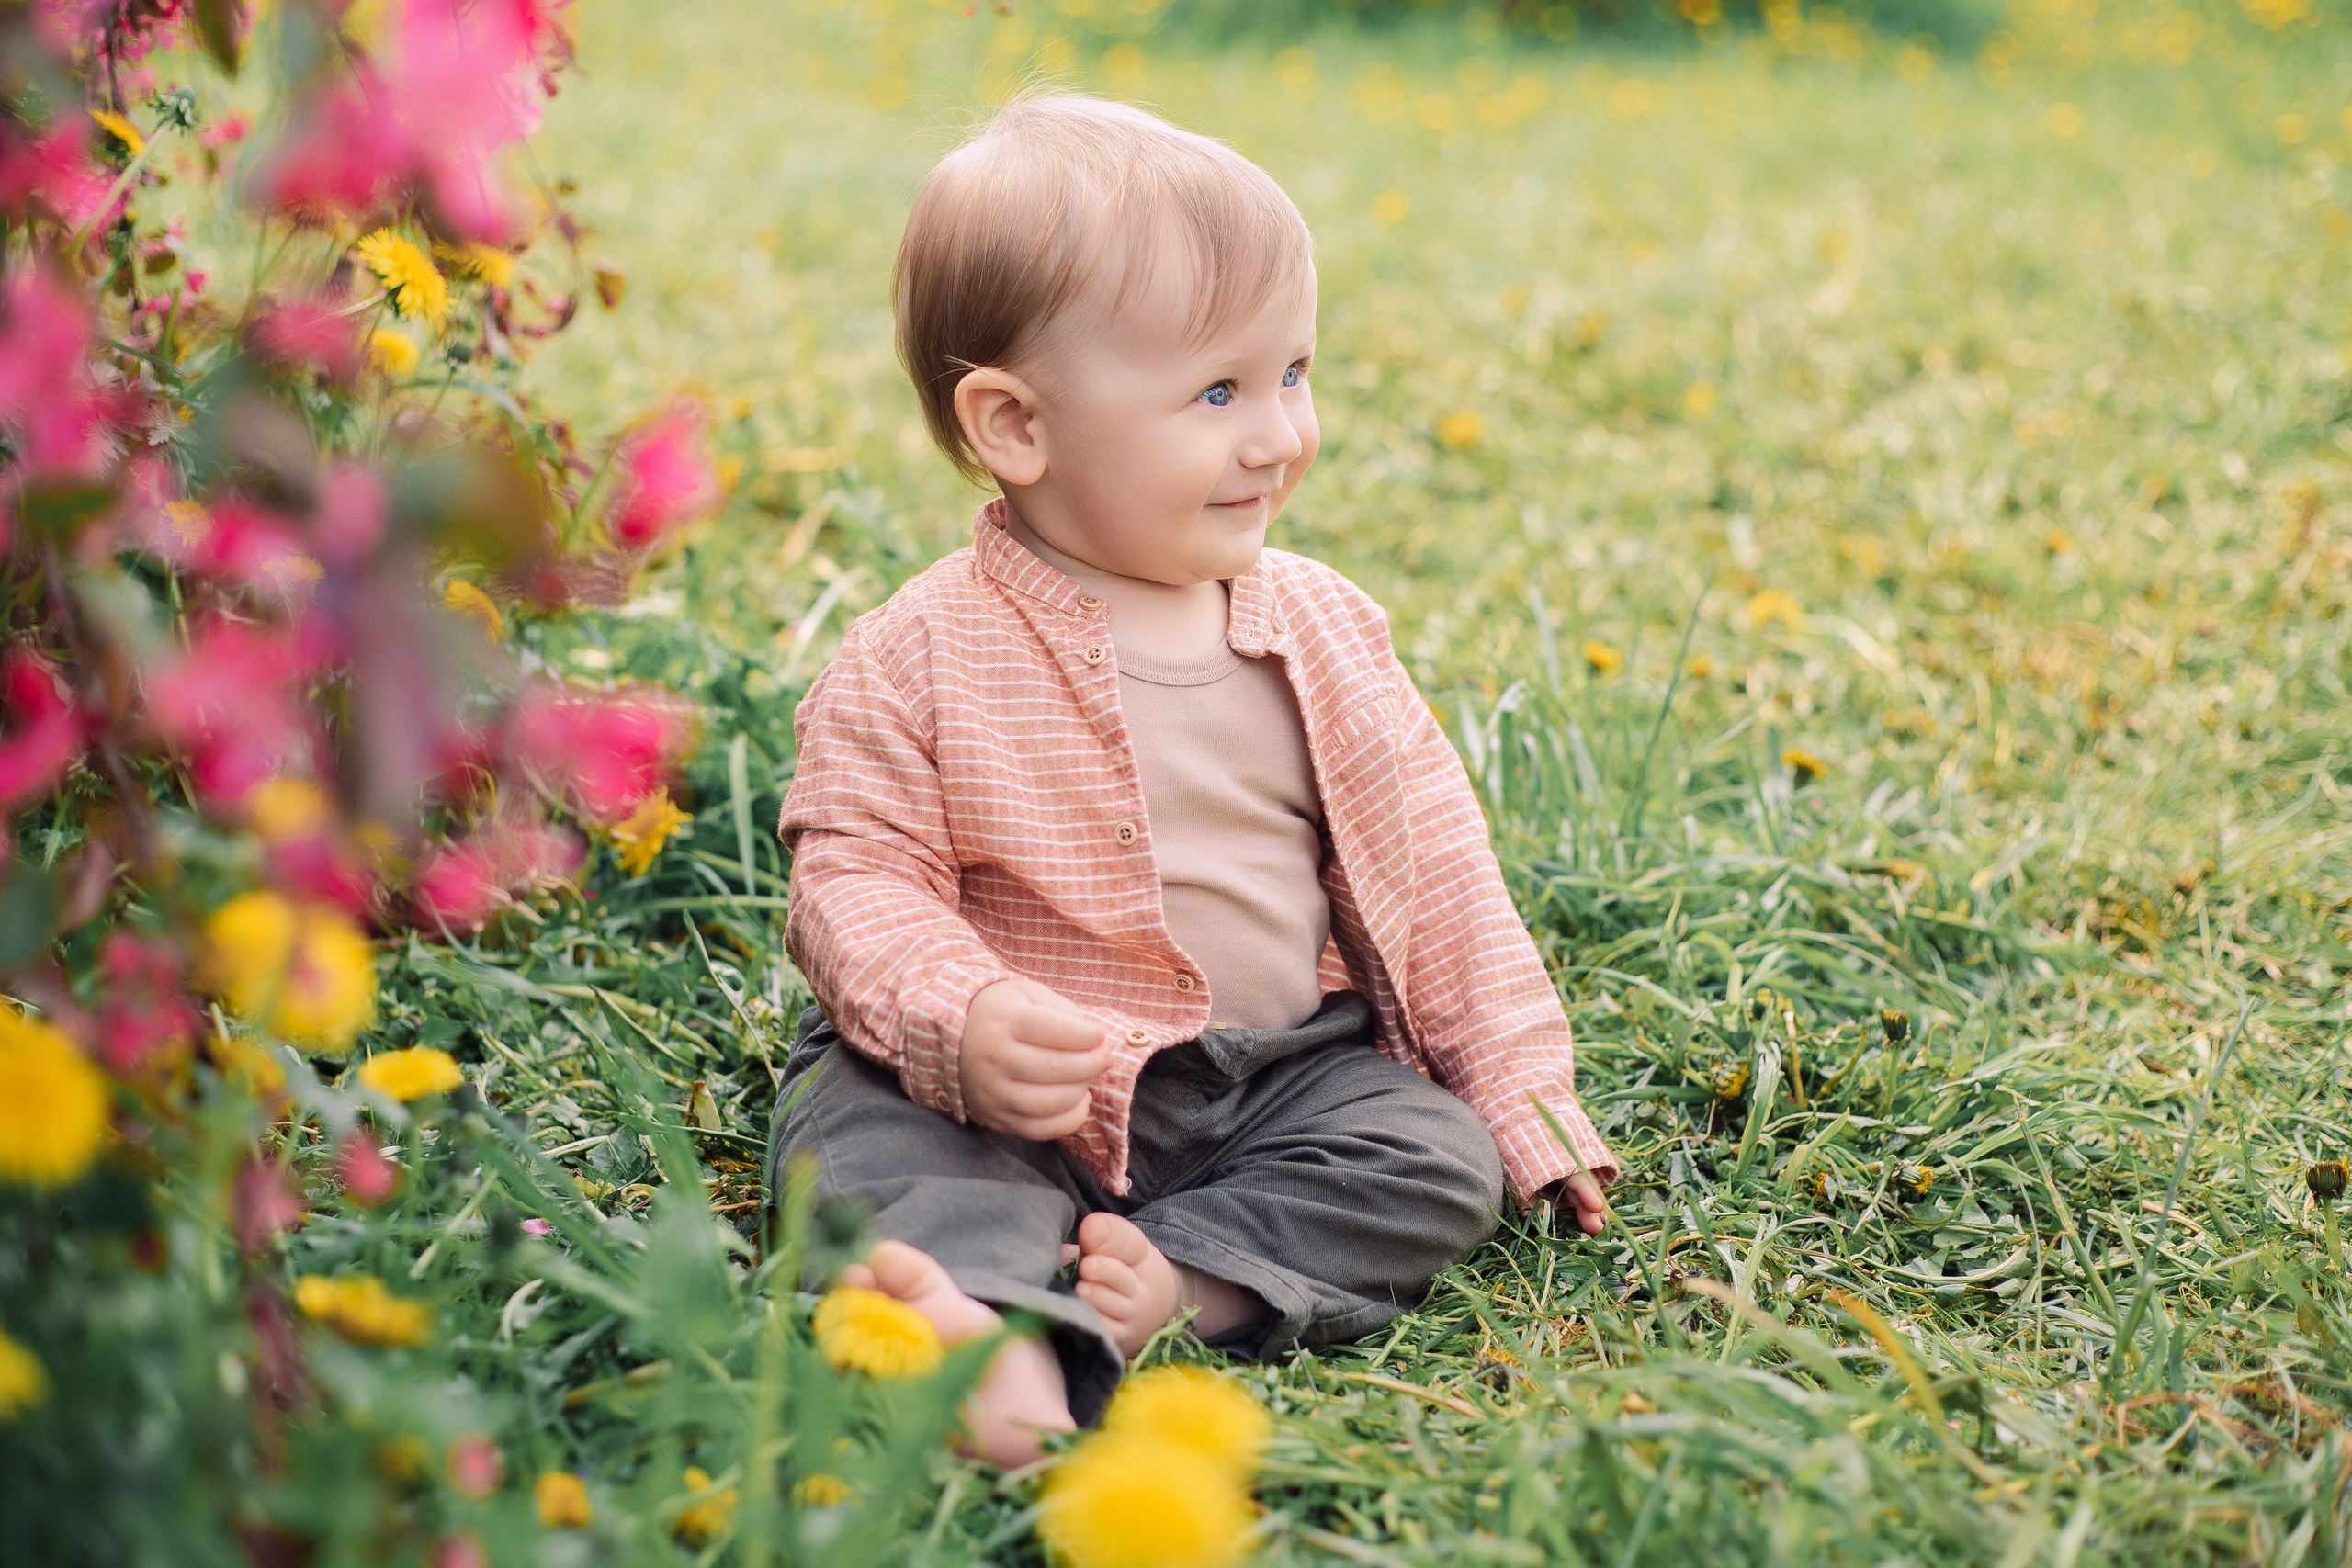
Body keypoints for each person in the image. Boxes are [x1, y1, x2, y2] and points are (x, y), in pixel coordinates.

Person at [770, 93, 1616, 1466]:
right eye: (1219, 392)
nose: (1278, 433)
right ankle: (981, 1336)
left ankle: (1181, 1282)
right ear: (1015, 425)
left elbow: (1440, 873)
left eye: (1294, 372)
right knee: (867, 1136)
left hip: (1274, 1075)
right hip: (1010, 1088)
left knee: (1431, 1159)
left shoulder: (1327, 630)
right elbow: (851, 875)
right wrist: (957, 1017)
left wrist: (1523, 1096)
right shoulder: (915, 653)